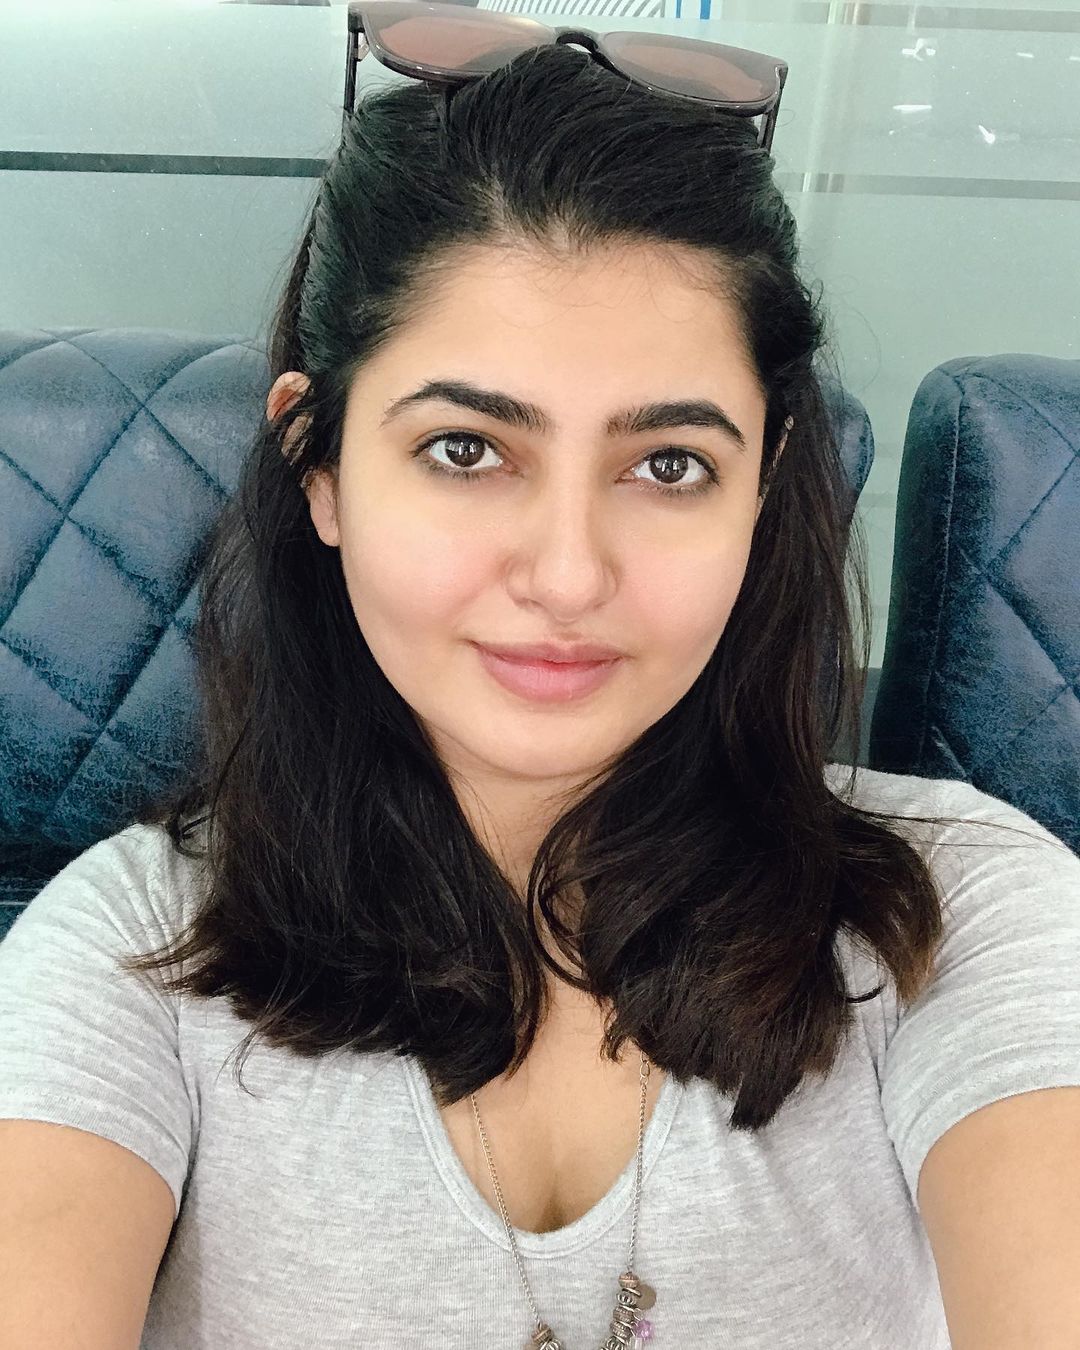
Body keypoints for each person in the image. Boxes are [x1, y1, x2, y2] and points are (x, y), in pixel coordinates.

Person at [1, 38, 1078, 1350]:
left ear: (763, 479)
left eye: (669, 464)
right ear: (318, 463)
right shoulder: (128, 957)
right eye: (466, 449)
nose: (569, 574)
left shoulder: (967, 916)